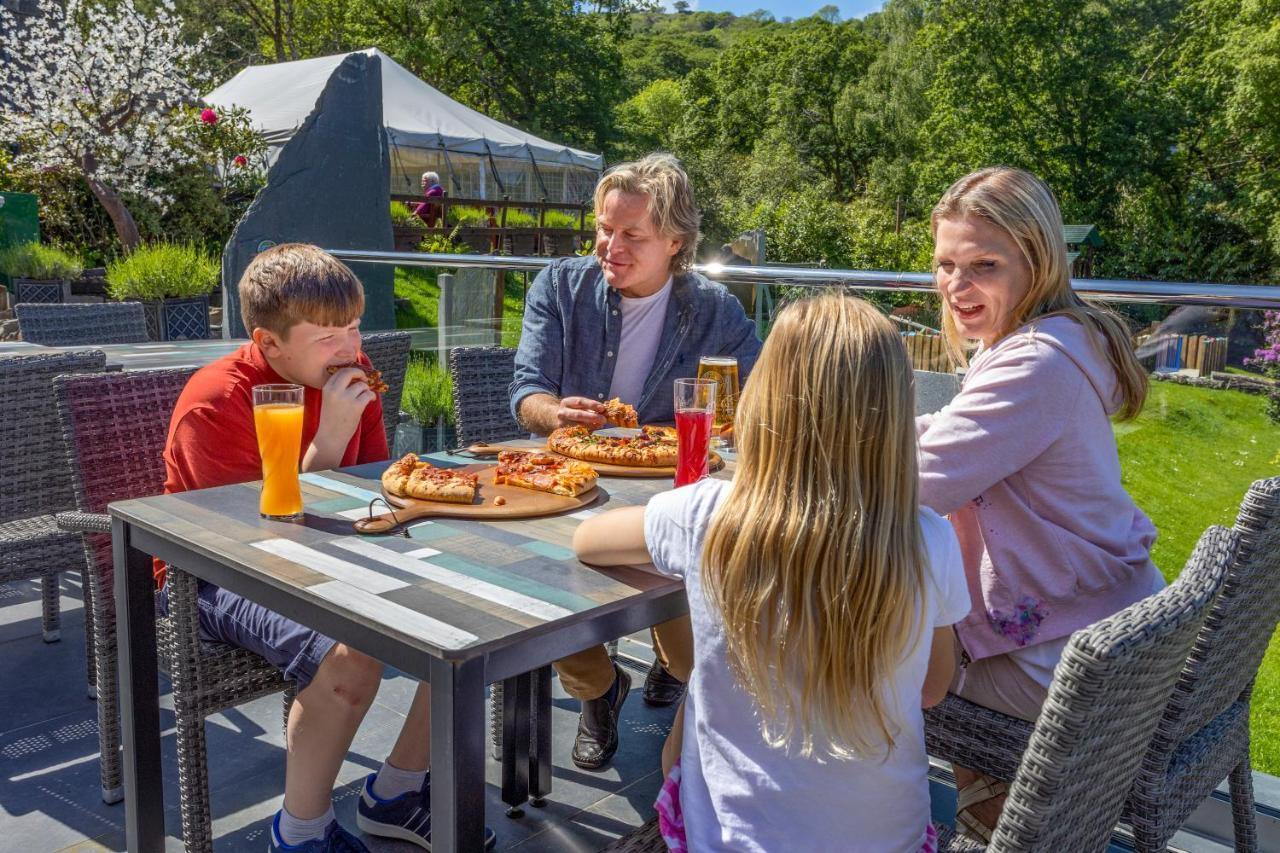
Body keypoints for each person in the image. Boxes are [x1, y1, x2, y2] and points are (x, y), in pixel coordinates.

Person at [572, 294, 968, 852]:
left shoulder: (706, 513)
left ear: (766, 400)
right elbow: (931, 688)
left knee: (683, 741)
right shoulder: (930, 538)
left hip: (731, 841)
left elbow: (588, 540)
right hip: (891, 840)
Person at [161, 243, 495, 852]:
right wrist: (333, 429)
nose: (349, 350)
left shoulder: (350, 376)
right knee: (350, 657)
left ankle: (395, 789)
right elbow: (246, 535)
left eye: (354, 329)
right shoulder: (218, 400)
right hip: (209, 577)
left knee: (476, 617)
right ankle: (300, 831)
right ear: (268, 343)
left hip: (322, 549)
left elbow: (357, 493)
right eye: (327, 337)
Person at [916, 166, 1163, 841]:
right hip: (1112, 625)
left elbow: (914, 484)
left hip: (1066, 657)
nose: (957, 286)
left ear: (1038, 260)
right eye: (945, 265)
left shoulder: (1033, 364)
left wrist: (793, 459)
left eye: (983, 266)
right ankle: (991, 815)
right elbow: (956, 435)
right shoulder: (1057, 339)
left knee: (864, 661)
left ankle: (975, 820)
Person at [509, 153, 762, 770]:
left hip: (669, 490)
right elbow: (525, 392)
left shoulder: (716, 311)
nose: (608, 246)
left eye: (631, 235)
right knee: (542, 588)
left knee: (689, 617)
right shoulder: (560, 287)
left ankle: (678, 678)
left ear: (676, 243)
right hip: (574, 481)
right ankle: (599, 690)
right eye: (603, 228)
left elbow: (761, 400)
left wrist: (736, 423)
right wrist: (554, 414)